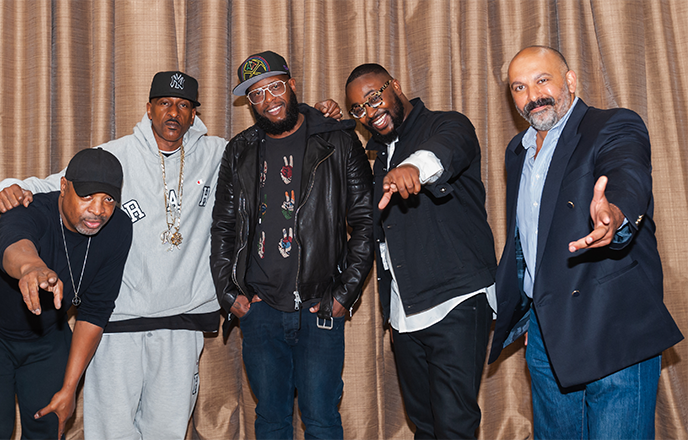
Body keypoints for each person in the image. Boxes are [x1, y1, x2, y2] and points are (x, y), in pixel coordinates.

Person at [0, 70, 343, 439]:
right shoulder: (116, 155)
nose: (173, 112)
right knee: (110, 431)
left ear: (194, 114)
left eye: (183, 105)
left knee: (167, 432)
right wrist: (10, 188)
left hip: (182, 322)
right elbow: (53, 187)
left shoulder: (220, 153)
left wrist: (314, 115)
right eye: (164, 103)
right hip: (116, 323)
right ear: (148, 109)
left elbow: (280, 135)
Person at [487, 46, 683, 439]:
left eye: (543, 80)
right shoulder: (517, 151)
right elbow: (529, 237)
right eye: (519, 87)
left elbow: (627, 173)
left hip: (612, 321)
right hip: (547, 332)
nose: (532, 96)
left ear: (570, 80)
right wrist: (529, 306)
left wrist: (614, 214)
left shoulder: (611, 125)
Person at [211, 50, 373, 440]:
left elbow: (366, 223)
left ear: (292, 85)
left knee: (320, 418)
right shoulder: (239, 150)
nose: (269, 100)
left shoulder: (336, 139)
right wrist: (229, 292)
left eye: (275, 87)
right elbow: (224, 227)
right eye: (256, 94)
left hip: (320, 306)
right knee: (271, 420)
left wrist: (344, 294)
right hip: (261, 310)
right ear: (249, 102)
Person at [345, 64, 497, 440]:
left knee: (453, 425)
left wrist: (414, 166)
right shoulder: (378, 157)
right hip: (406, 314)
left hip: (456, 301)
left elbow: (449, 148)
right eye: (358, 109)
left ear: (395, 85)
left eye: (374, 96)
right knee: (424, 423)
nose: (369, 110)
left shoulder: (446, 124)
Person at [0, 148, 131, 440]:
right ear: (64, 187)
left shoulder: (118, 228)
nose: (98, 210)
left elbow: (95, 311)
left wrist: (69, 390)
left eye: (108, 199)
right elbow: (14, 243)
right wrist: (31, 268)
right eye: (86, 196)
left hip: (46, 330)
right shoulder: (29, 210)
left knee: (49, 421)